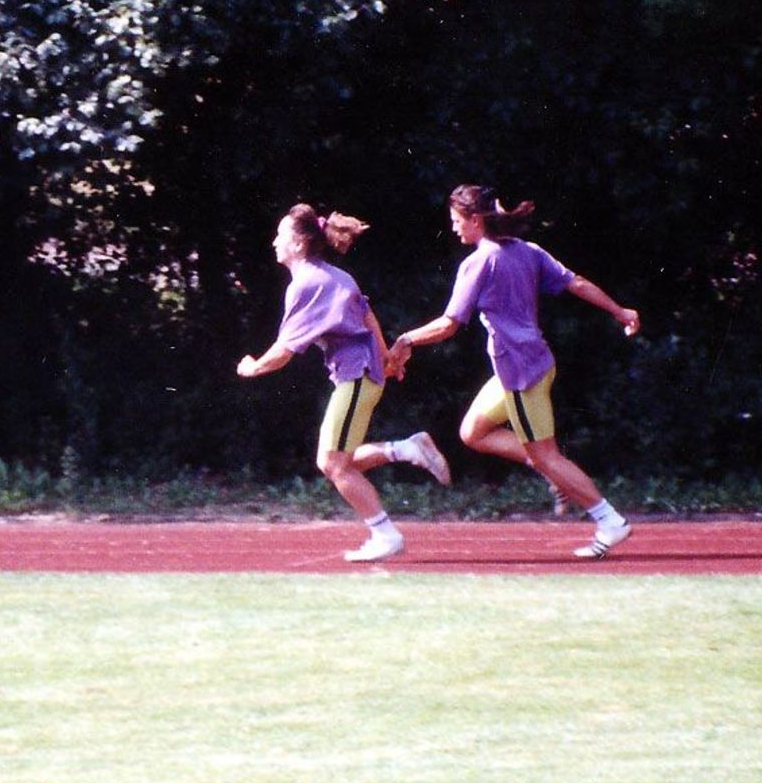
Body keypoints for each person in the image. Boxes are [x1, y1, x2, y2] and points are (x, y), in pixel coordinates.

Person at [387, 185, 641, 559]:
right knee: (472, 432)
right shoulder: (528, 251)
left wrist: (406, 340)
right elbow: (578, 283)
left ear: (476, 220)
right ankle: (547, 469)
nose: (455, 229)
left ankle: (610, 521)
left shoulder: (479, 262)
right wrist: (621, 311)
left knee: (547, 455)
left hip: (520, 373)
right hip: (530, 365)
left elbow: (448, 324)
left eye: (458, 222)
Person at [237, 203, 451, 563]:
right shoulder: (333, 276)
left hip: (356, 377)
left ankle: (386, 534)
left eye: (281, 235)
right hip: (364, 375)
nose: (274, 241)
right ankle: (408, 449)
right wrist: (387, 359)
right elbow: (369, 319)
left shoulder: (308, 284)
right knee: (343, 461)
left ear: (300, 243)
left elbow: (285, 350)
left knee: (333, 465)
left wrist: (253, 368)